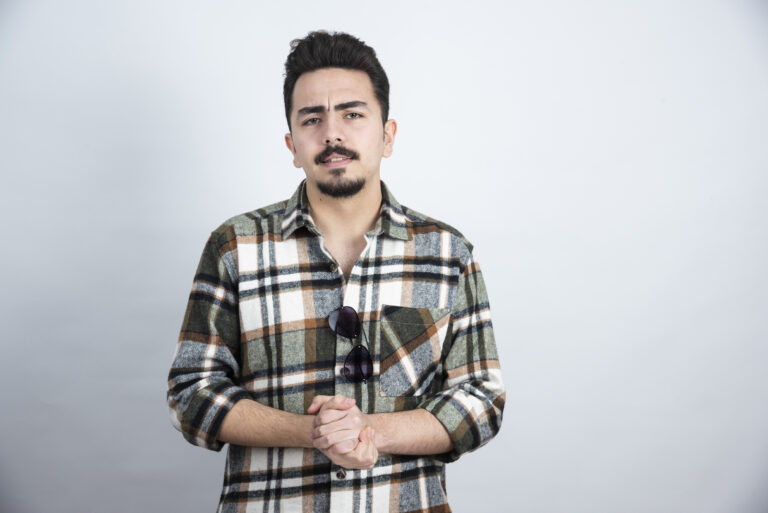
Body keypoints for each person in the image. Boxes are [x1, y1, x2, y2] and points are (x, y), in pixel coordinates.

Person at [167, 30, 505, 513]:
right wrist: (311, 432)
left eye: (352, 113)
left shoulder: (447, 252)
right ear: (292, 143)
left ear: (387, 135)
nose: (332, 134)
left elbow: (482, 400)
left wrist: (372, 430)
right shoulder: (235, 247)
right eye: (312, 118)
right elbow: (190, 393)